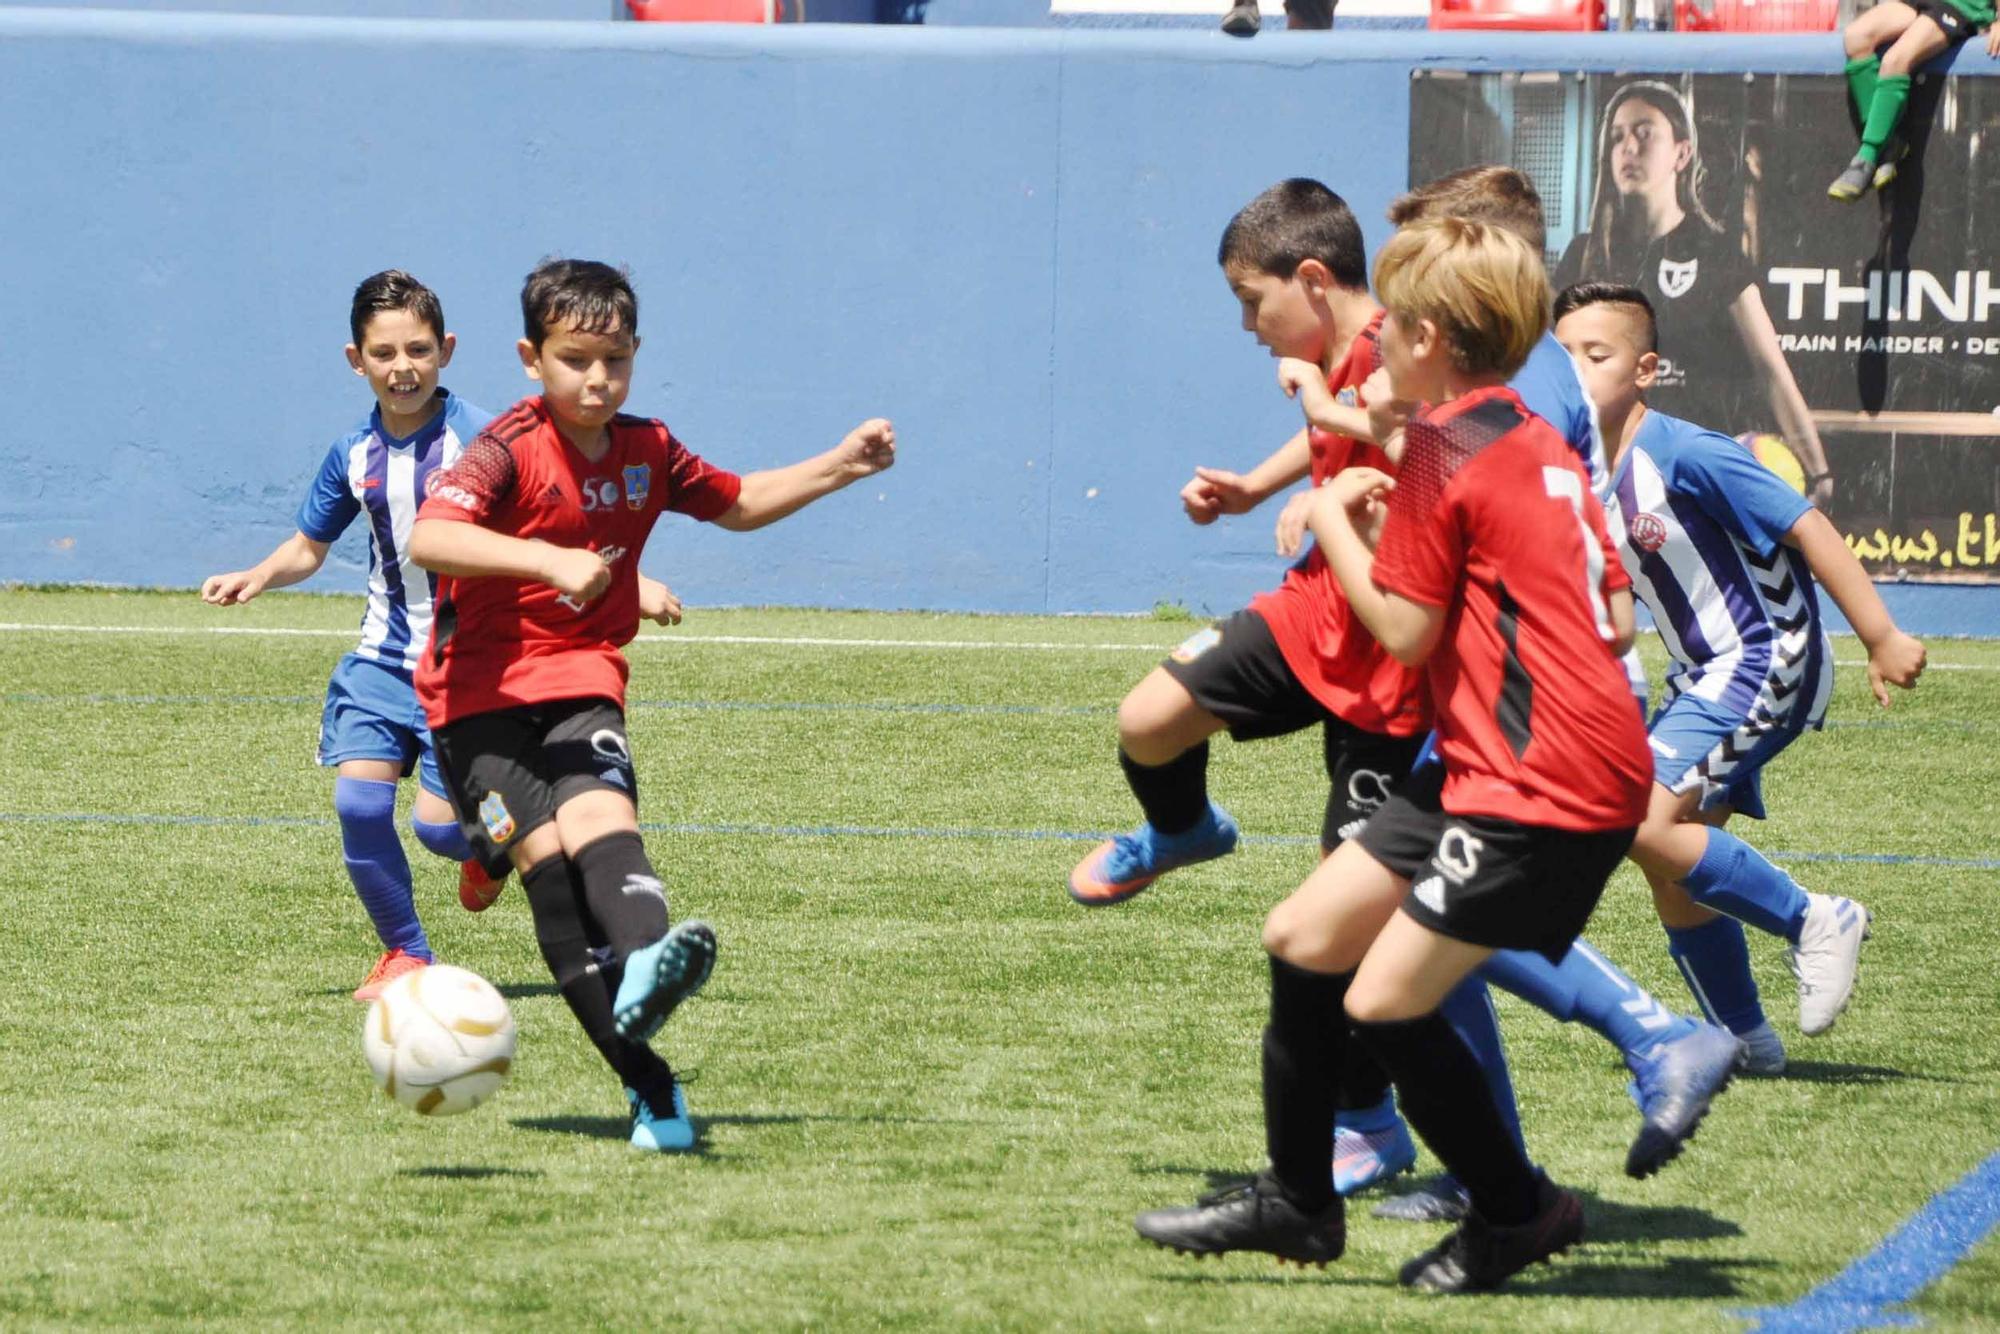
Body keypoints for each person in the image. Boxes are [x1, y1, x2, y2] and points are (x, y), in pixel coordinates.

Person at [1134, 218, 1652, 1293]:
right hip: (1491, 759)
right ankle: (1298, 1199)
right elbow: (1614, 612)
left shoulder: (1438, 448)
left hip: (1537, 779)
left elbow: (1407, 631)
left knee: (1380, 1002)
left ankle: (1516, 1209)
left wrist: (1326, 511)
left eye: (1390, 329)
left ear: (1418, 335)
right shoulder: (1528, 433)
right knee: (1302, 933)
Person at [406, 259, 894, 1152]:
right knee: (550, 875)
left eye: (616, 360)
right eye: (576, 359)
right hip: (475, 696)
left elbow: (737, 501)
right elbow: (430, 536)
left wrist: (840, 466)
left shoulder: (648, 446)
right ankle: (652, 1084)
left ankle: (645, 964)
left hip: (583, 673)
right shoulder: (505, 448)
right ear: (530, 357)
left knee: (604, 825)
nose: (598, 380)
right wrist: (549, 561)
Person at [1553, 280, 1926, 1067]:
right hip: (1702, 677)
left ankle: (1814, 918)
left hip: (1765, 658)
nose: (1579, 371)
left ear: (1646, 368)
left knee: (1637, 822)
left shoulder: (1686, 453)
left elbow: (1808, 525)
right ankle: (1746, 1041)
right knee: (1671, 863)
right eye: (1563, 357)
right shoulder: (1579, 469)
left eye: (1598, 354)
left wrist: (1881, 634)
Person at [1069, 179, 1429, 916]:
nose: (1246, 324)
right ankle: (1183, 828)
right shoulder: (1341, 359)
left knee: (1355, 907)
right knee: (1148, 720)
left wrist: (1334, 479)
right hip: (1318, 602)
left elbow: (1400, 432)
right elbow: (1339, 426)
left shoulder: (1397, 351)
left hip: (1394, 644)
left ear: (1312, 280)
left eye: (1250, 299)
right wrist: (1254, 489)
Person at [200, 270, 503, 1003]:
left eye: (419, 350)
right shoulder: (353, 456)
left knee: (443, 832)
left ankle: (499, 833)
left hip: (465, 667)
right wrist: (260, 575)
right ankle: (406, 954)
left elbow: (540, 527)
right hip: (379, 660)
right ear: (356, 360)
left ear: (447, 350)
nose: (403, 368)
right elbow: (310, 544)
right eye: (385, 353)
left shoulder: (487, 440)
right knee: (358, 805)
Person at [1553, 80, 1835, 510]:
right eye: (1617, 137)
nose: (1628, 147)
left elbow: (1771, 370)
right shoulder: (1583, 255)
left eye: (1644, 133)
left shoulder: (1717, 254)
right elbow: (1544, 367)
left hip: (1692, 483)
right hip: (1603, 480)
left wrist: (1819, 474)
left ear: (1681, 154)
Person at [1830, 0, 1998, 200]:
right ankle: (1891, 142)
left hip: (1959, 6)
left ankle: (1867, 157)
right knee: (1856, 37)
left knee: (1895, 61)